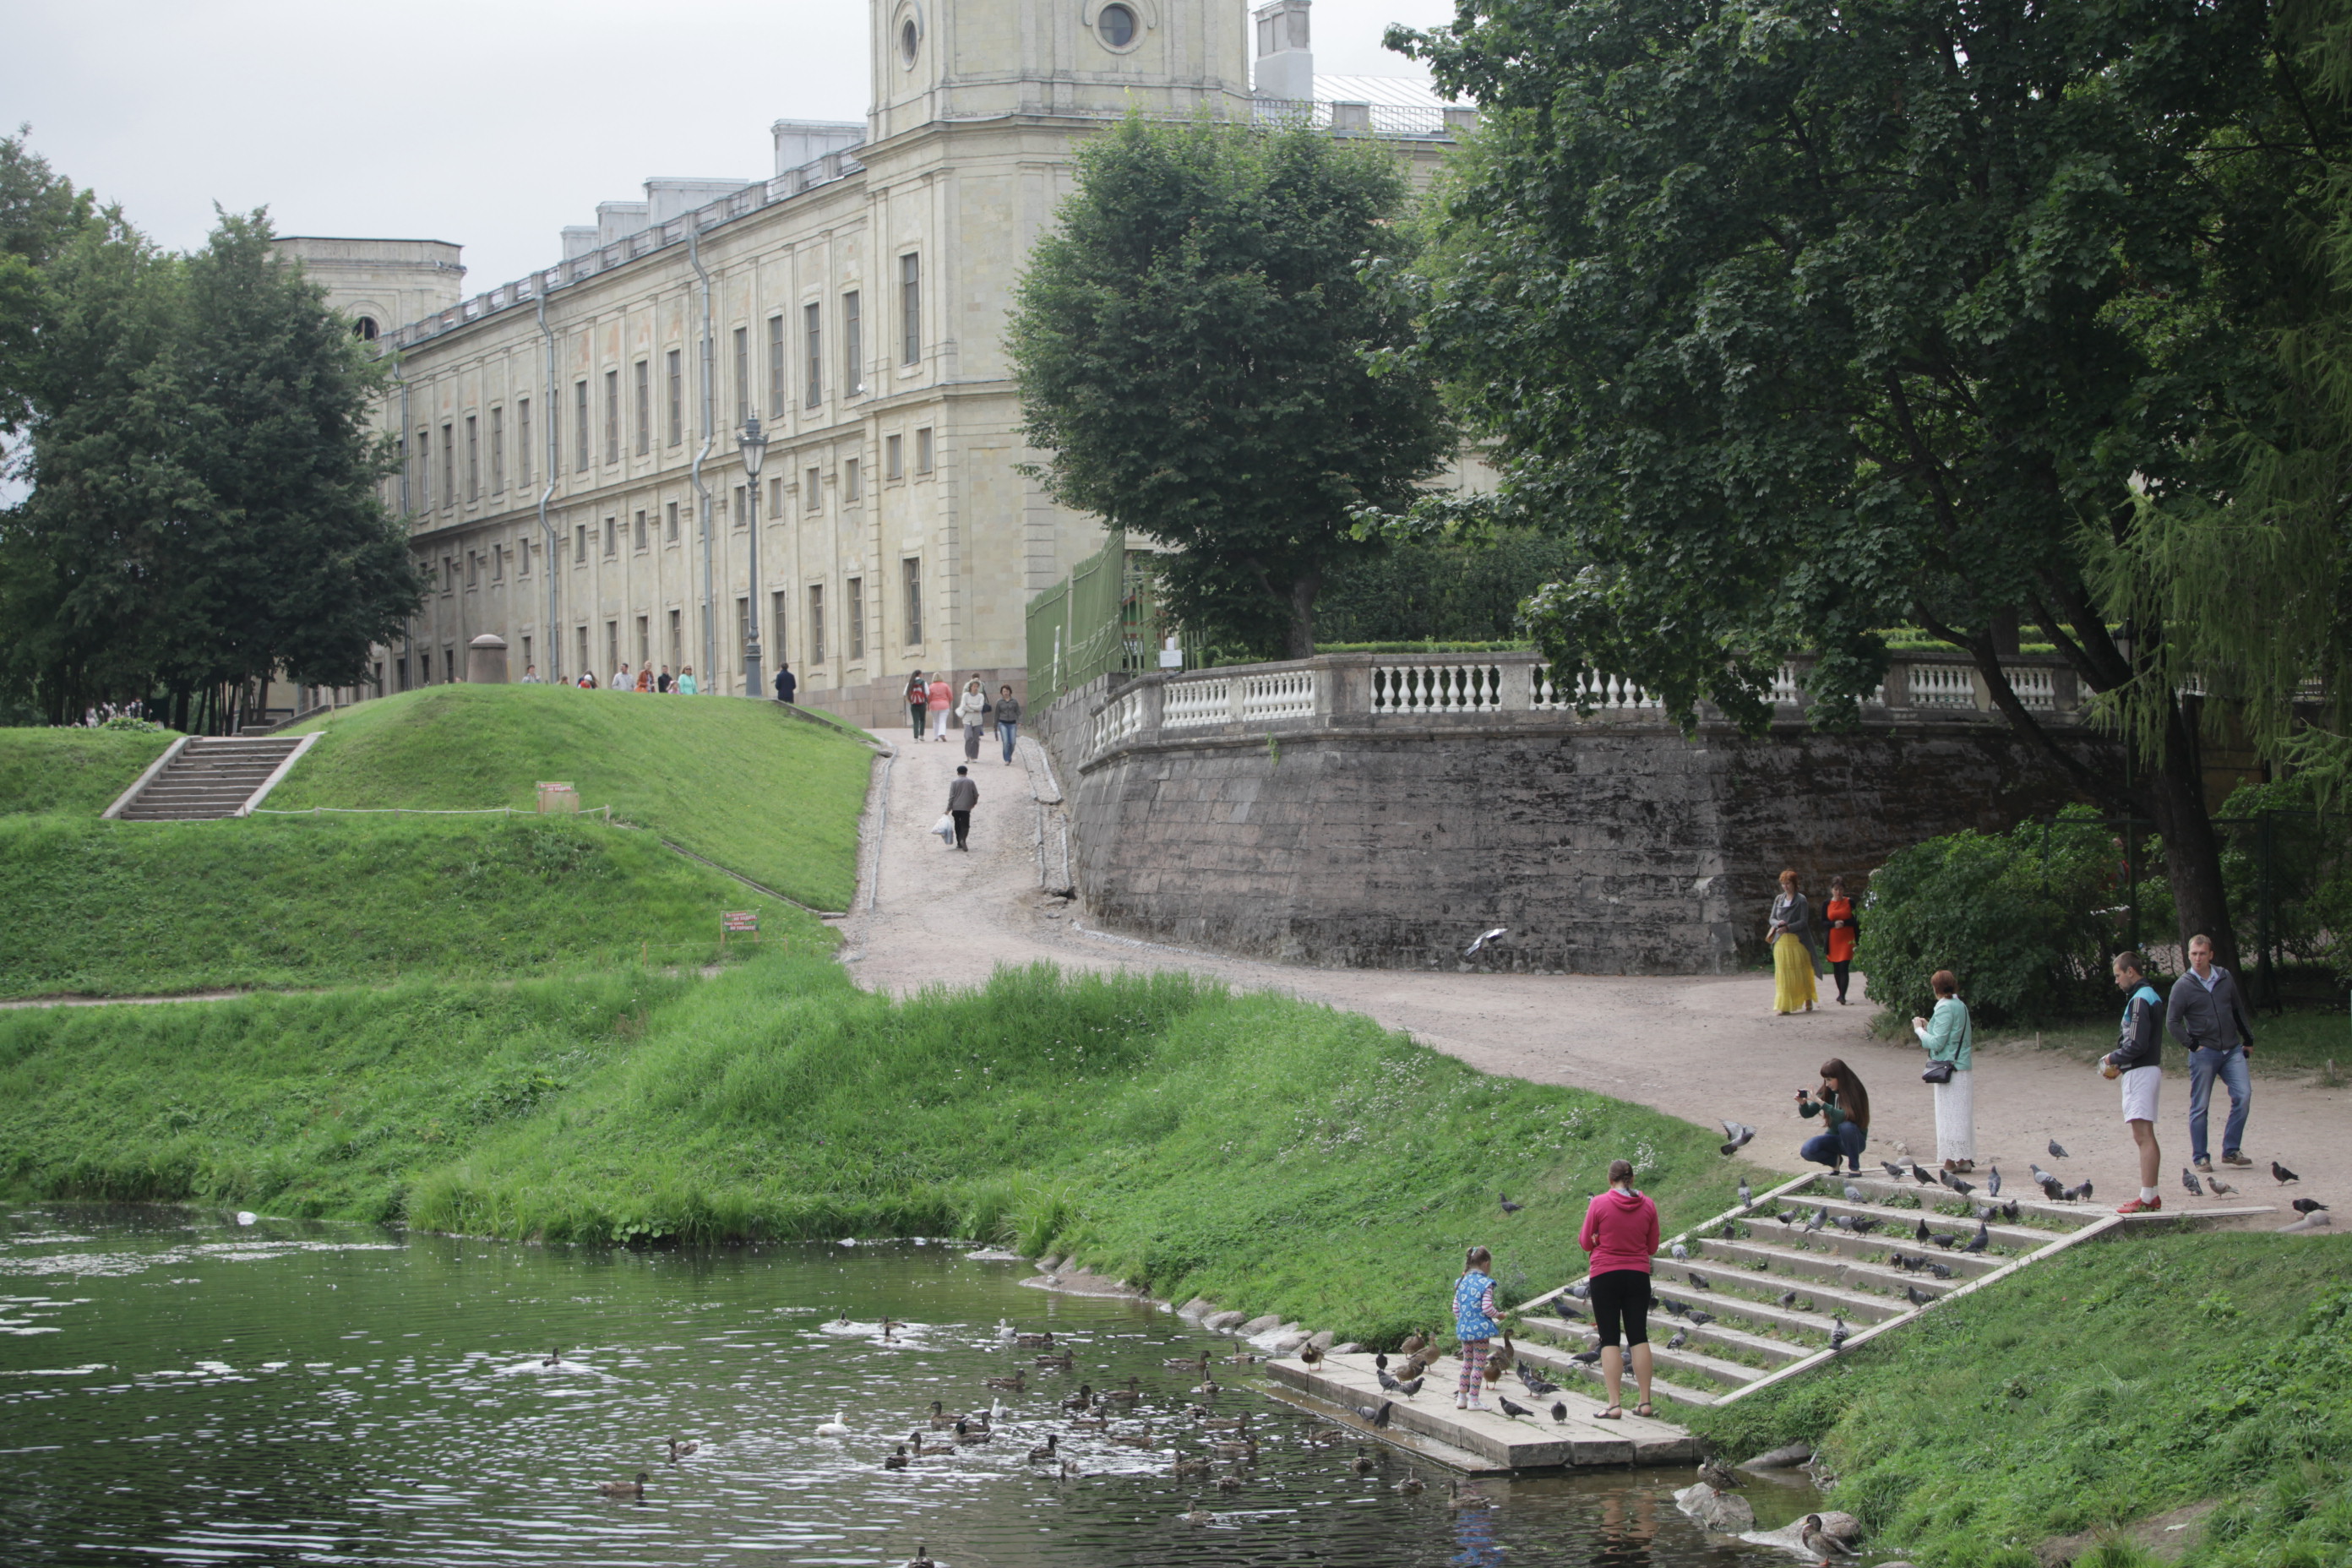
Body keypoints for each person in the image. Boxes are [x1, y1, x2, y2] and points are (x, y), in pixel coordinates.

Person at [1578, 1159, 1660, 1419]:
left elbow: (1585, 1242)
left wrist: (1599, 1239)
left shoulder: (1599, 1203)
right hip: (1637, 1275)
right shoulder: (1648, 1204)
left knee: (1610, 1339)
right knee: (1638, 1336)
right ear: (1632, 1179)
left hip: (1605, 1275)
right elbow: (1652, 1247)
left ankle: (1614, 1405)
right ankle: (1645, 1401)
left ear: (1609, 1179)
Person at [2166, 933, 2255, 1173]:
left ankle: (2231, 1150)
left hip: (2232, 1049)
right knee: (2200, 1105)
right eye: (2193, 954)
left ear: (2210, 955)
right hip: (2204, 1052)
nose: (2197, 958)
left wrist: (2248, 1039)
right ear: (2188, 955)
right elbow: (2172, 1022)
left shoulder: (2225, 977)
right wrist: (2193, 1045)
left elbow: (2237, 1009)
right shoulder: (2183, 986)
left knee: (2244, 1096)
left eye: (2202, 953)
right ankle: (2201, 1157)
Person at [2104, 950, 2168, 1213]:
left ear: (2131, 971)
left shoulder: (2140, 999)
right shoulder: (2148, 995)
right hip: (2143, 1069)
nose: (2117, 981)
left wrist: (2112, 1058)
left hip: (2141, 1073)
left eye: (2118, 975)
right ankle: (2149, 1195)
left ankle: (2148, 1197)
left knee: (2143, 1136)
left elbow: (2138, 1044)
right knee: (2144, 1134)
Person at [1911, 969, 1975, 1172]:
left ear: (1935, 988)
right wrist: (1929, 1025)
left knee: (1948, 1116)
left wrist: (1919, 1030)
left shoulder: (1944, 1006)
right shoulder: (1960, 1005)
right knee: (1961, 1116)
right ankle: (1963, 1159)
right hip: (1962, 1066)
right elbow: (1951, 1034)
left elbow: (1937, 1042)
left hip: (1949, 1069)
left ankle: (1949, 1161)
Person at [1796, 1057, 1870, 1173]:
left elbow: (1844, 1116)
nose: (1827, 1084)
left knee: (1846, 1126)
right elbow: (1808, 1113)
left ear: (1840, 1078)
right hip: (1834, 1138)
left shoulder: (1855, 1090)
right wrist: (1803, 1104)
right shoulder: (1826, 1090)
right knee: (1807, 1150)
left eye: (1829, 1079)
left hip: (1855, 1141)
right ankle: (1834, 1161)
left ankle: (1854, 1168)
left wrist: (1821, 1102)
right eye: (1825, 1080)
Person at [1451, 1246, 1501, 1412]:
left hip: (1464, 1328)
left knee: (1467, 1363)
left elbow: (1456, 1309)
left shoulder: (1461, 1282)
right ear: (1486, 1263)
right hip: (1480, 1330)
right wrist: (1498, 1315)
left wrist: (1464, 1321)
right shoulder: (1486, 1283)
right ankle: (1474, 1400)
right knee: (1479, 1365)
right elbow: (1487, 1308)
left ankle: (1461, 1398)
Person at [1767, 870, 1819, 1015]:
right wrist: (1778, 923)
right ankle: (1785, 1006)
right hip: (1781, 942)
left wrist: (1788, 927)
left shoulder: (1801, 900)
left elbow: (1803, 922)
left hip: (1797, 941)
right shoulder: (1778, 899)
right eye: (1783, 884)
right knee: (1783, 975)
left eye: (1788, 883)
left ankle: (1807, 998)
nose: (1785, 886)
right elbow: (1771, 919)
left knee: (1801, 972)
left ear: (1794, 884)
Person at [1822, 876, 1859, 1004]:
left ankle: (1843, 995)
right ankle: (1840, 993)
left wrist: (1845, 923)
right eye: (1836, 889)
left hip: (1847, 938)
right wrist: (1833, 924)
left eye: (1841, 889)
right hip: (1833, 939)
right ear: (1831, 890)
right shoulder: (1827, 904)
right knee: (1836, 967)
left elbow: (1857, 920)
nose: (1838, 892)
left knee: (1844, 966)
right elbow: (1823, 922)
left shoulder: (1850, 902)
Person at [946, 765, 978, 851]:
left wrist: (948, 809)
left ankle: (959, 843)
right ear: (966, 772)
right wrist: (973, 803)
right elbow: (976, 794)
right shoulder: (970, 782)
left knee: (957, 824)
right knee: (965, 825)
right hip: (966, 807)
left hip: (956, 807)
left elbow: (951, 797)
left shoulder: (954, 782)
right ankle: (963, 839)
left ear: (957, 773)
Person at [958, 678, 989, 760]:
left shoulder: (981, 696)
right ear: (970, 687)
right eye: (974, 686)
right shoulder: (966, 695)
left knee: (976, 739)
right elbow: (964, 706)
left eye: (977, 686)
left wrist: (970, 706)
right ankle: (968, 755)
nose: (975, 688)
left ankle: (974, 756)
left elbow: (980, 707)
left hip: (977, 720)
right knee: (968, 737)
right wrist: (974, 709)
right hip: (967, 720)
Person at [994, 685, 1022, 765]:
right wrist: (995, 725)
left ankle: (1009, 755)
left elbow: (1018, 712)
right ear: (1001, 693)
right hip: (1002, 723)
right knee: (1006, 741)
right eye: (1004, 691)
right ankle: (1007, 759)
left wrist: (1020, 721)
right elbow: (996, 714)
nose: (1005, 693)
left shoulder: (1014, 701)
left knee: (1013, 742)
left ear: (1010, 691)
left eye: (1007, 691)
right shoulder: (999, 702)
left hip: (1012, 723)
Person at [927, 673, 954, 741]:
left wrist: (928, 705)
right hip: (944, 705)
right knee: (942, 721)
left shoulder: (931, 686)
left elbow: (929, 698)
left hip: (934, 705)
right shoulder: (945, 685)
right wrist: (949, 703)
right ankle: (942, 733)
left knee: (936, 721)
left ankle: (936, 737)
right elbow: (950, 696)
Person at [905, 672, 928, 739]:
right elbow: (927, 692)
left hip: (913, 704)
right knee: (922, 720)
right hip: (922, 703)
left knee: (915, 721)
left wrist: (911, 700)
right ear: (920, 675)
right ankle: (921, 736)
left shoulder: (909, 683)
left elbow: (905, 693)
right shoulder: (923, 682)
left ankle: (915, 738)